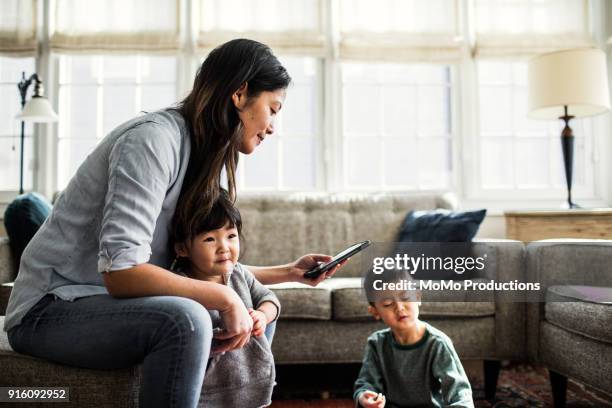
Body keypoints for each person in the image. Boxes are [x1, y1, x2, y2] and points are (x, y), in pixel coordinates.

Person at [4, 38, 342, 408]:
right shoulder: (153, 141)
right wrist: (223, 296)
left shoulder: (201, 157)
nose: (274, 126)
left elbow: (208, 266)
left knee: (252, 313)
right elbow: (122, 272)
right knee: (189, 319)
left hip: (100, 302)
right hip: (50, 308)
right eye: (273, 109)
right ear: (240, 93)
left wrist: (290, 272)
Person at [170, 189, 280, 407]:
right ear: (182, 248)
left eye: (231, 236)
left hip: (250, 379)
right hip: (206, 388)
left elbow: (270, 299)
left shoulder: (238, 274)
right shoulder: (181, 286)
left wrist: (262, 315)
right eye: (210, 239)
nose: (224, 248)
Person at [354, 272, 474, 408]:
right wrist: (365, 396)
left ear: (417, 297)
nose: (399, 308)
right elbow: (366, 383)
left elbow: (460, 393)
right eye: (388, 304)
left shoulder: (437, 343)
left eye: (405, 297)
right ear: (375, 312)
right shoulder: (376, 343)